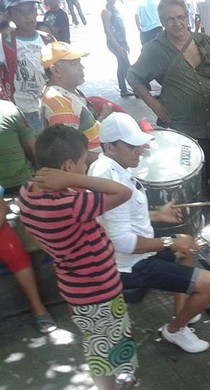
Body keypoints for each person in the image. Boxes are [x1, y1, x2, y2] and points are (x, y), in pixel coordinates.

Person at [89, 112, 210, 354]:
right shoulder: (110, 178)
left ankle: (182, 318)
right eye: (132, 145)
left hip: (134, 255)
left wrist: (156, 215)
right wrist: (171, 241)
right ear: (110, 146)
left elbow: (116, 219)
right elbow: (124, 242)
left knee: (185, 254)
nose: (140, 149)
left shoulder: (108, 167)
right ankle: (173, 330)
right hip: (130, 265)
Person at [18, 125, 136, 390]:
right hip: (99, 290)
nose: (86, 169)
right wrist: (72, 181)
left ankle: (120, 380)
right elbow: (123, 192)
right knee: (103, 351)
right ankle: (115, 385)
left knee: (100, 340)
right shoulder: (69, 205)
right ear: (69, 166)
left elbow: (34, 235)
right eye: (83, 163)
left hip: (74, 285)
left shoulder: (27, 192)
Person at [127, 0, 210, 223]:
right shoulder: (155, 49)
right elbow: (134, 77)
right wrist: (155, 105)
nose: (177, 23)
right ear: (162, 22)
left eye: (180, 17)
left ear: (187, 17)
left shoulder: (204, 41)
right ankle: (205, 238)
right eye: (170, 19)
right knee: (198, 193)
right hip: (186, 134)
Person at [0, 99, 56, 334]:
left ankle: (38, 308)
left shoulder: (9, 109)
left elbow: (33, 148)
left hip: (22, 183)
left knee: (13, 248)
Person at [40, 41, 110, 164]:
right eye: (74, 64)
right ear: (55, 71)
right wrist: (113, 161)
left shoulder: (67, 92)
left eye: (79, 62)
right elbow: (72, 155)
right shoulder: (61, 106)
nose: (81, 67)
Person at [0, 0, 55, 135]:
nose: (28, 17)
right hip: (24, 110)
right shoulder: (4, 42)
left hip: (51, 106)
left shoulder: (47, 39)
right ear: (9, 16)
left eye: (31, 10)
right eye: (20, 12)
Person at [101, 0, 133, 98]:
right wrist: (117, 46)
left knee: (123, 65)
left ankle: (124, 89)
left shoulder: (115, 9)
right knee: (126, 65)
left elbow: (121, 27)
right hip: (114, 42)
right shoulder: (105, 11)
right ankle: (134, 88)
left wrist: (125, 42)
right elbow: (107, 31)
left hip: (121, 41)